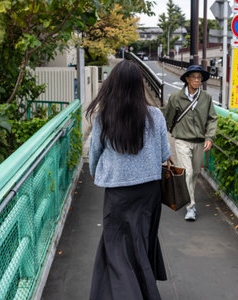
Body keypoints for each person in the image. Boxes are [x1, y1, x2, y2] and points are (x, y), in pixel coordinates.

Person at [87, 60, 170, 300]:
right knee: (141, 244)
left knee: (116, 248)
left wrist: (96, 172)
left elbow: (94, 154)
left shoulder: (105, 117)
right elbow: (165, 154)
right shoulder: (155, 115)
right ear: (139, 86)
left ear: (113, 85)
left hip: (117, 192)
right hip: (149, 191)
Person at [163, 65, 218, 222]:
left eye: (199, 78)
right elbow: (168, 119)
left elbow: (212, 118)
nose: (196, 80)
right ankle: (191, 207)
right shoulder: (176, 97)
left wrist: (209, 137)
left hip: (200, 141)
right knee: (187, 172)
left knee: (194, 173)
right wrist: (165, 140)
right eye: (193, 77)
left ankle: (187, 196)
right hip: (182, 140)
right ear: (186, 79)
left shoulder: (206, 98)